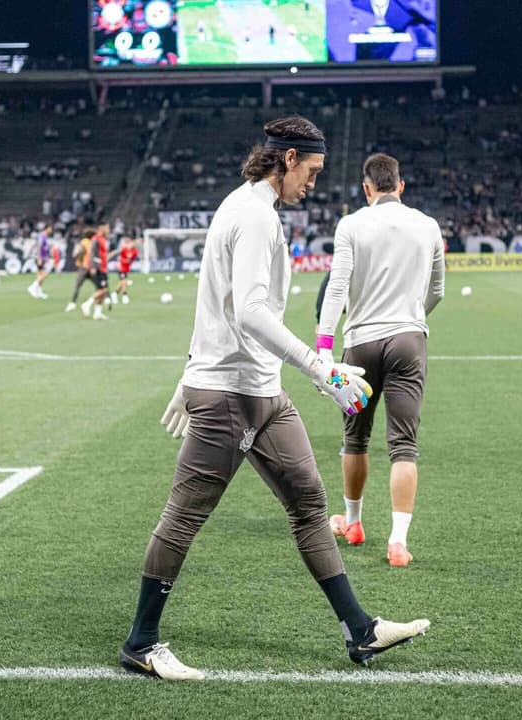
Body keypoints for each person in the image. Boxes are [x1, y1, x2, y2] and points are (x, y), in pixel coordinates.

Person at [120, 116, 429, 682]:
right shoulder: (255, 216)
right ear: (287, 159)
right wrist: (320, 367)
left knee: (310, 504)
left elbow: (214, 299)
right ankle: (141, 642)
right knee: (185, 516)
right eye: (310, 171)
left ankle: (359, 631)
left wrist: (191, 369)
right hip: (232, 395)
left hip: (262, 392)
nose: (313, 183)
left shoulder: (244, 207)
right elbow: (247, 310)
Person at [316, 153, 445, 568]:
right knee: (404, 445)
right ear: (401, 186)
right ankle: (398, 542)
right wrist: (412, 315)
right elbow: (437, 291)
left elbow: (336, 289)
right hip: (409, 339)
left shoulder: (351, 224)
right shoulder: (427, 225)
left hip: (361, 343)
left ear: (367, 188)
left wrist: (323, 349)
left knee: (355, 438)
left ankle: (353, 522)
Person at [79, 224, 111, 320]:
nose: (108, 230)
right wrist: (92, 266)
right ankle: (87, 304)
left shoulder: (103, 239)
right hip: (98, 268)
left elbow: (102, 254)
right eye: (107, 228)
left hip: (103, 267)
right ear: (102, 228)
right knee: (103, 290)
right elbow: (91, 253)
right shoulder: (96, 239)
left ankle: (97, 312)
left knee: (101, 290)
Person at [28, 225, 60, 300]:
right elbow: (39, 246)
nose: (51, 230)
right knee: (44, 274)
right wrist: (39, 258)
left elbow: (44, 247)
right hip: (40, 258)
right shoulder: (42, 236)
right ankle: (32, 287)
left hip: (43, 258)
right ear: (47, 228)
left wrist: (47, 254)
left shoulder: (45, 236)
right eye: (50, 229)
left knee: (40, 275)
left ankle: (38, 292)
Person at [65, 232, 93, 312]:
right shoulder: (92, 242)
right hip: (91, 267)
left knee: (77, 286)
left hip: (84, 267)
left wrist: (78, 256)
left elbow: (77, 253)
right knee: (99, 286)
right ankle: (107, 298)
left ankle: (73, 303)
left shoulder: (83, 242)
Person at [111, 236, 139, 305]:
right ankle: (125, 295)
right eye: (132, 243)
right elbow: (117, 255)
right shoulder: (124, 249)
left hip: (126, 268)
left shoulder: (135, 251)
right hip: (121, 267)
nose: (134, 244)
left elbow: (131, 260)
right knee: (124, 281)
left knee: (122, 282)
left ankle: (114, 293)